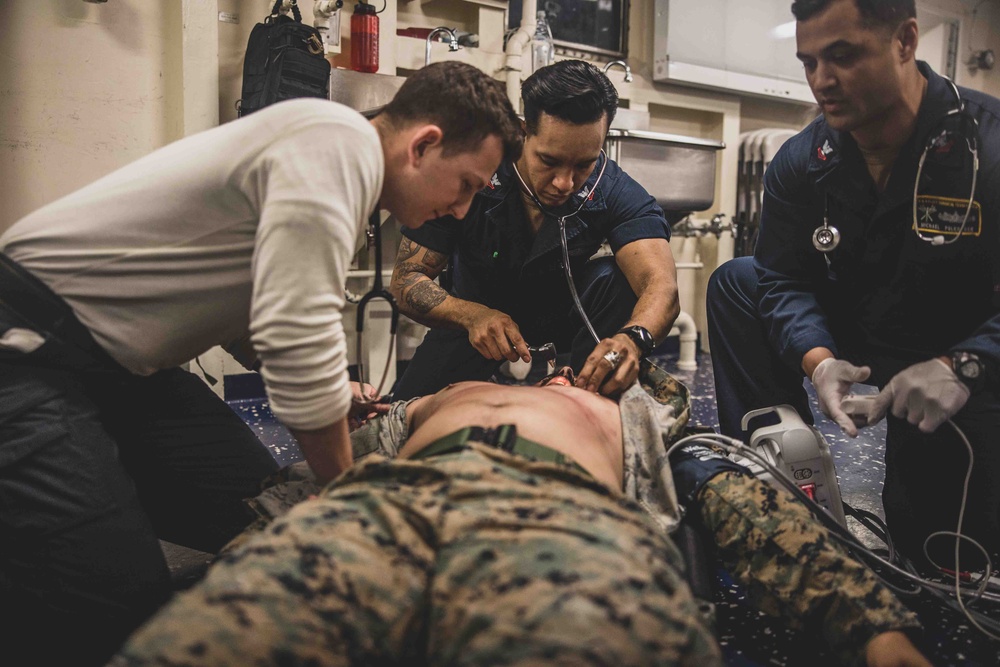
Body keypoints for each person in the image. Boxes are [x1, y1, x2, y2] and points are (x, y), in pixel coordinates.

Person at [0, 61, 522, 665]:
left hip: (120, 370)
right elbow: (297, 332)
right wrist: (349, 500)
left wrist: (335, 391)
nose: (461, 210)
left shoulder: (337, 164)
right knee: (109, 595)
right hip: (26, 352)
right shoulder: (336, 146)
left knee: (260, 505)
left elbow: (259, 313)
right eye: (467, 186)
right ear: (424, 145)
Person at [110, 368, 930, 667]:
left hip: (558, 518)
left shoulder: (634, 413)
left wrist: (874, 631)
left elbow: (738, 499)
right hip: (388, 505)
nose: (558, 365)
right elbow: (318, 472)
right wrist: (260, 543)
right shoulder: (445, 393)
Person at [706, 0, 1000, 568]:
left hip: (953, 353)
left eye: (842, 57)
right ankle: (778, 469)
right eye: (808, 61)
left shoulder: (988, 150)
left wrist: (966, 364)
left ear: (906, 41)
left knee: (943, 556)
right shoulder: (802, 159)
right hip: (862, 332)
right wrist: (818, 360)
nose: (821, 81)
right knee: (738, 281)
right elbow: (781, 277)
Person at [389, 59, 679, 401]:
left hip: (566, 323)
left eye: (583, 164)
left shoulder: (615, 189)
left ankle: (589, 394)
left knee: (615, 279)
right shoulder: (475, 170)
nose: (564, 183)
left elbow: (661, 286)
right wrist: (472, 316)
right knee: (407, 421)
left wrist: (633, 339)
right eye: (549, 161)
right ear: (523, 132)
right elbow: (407, 277)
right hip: (475, 323)